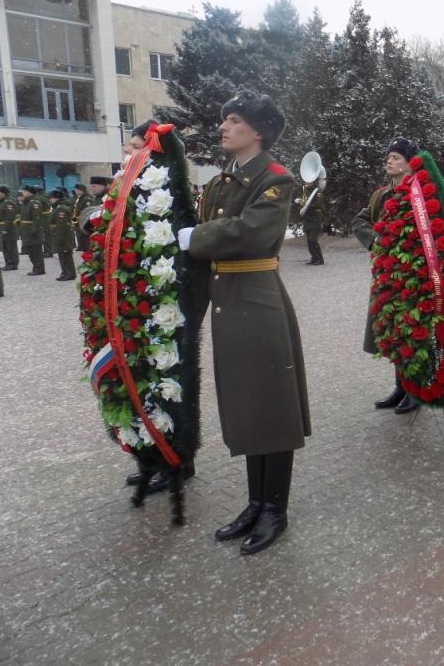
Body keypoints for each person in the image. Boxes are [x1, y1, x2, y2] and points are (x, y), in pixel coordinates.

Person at [177, 89, 310, 555]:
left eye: (233, 120)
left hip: (257, 300)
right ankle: (255, 502)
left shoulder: (276, 177)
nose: (222, 127)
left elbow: (253, 232)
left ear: (257, 131)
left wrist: (194, 237)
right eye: (223, 120)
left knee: (271, 405)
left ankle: (276, 508)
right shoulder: (219, 184)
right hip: (227, 303)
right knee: (248, 406)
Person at [351, 137, 420, 415]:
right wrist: (376, 240)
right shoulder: (381, 195)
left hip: (412, 274)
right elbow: (360, 220)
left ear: (410, 164)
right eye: (388, 156)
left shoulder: (420, 193)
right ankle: (401, 387)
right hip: (386, 273)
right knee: (393, 329)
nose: (389, 161)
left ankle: (416, 391)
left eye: (396, 157)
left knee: (412, 330)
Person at [47, 188, 76, 281]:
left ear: (56, 198)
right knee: (62, 255)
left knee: (66, 255)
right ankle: (65, 272)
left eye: (51, 198)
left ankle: (70, 273)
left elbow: (62, 226)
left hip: (63, 235)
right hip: (59, 234)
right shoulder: (57, 207)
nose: (50, 200)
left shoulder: (61, 209)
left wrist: (59, 239)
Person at [296, 181, 326, 266]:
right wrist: (300, 203)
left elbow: (318, 204)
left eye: (309, 182)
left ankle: (320, 259)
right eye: (306, 182)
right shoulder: (305, 191)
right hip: (307, 219)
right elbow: (303, 203)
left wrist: (305, 204)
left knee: (313, 239)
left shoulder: (318, 191)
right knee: (309, 241)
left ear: (313, 182)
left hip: (315, 218)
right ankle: (314, 258)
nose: (306, 183)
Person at [17, 185, 45, 276]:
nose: (22, 193)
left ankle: (39, 269)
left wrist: (33, 231)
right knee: (31, 251)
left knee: (36, 251)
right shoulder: (25, 203)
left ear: (29, 193)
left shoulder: (34, 203)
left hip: (32, 231)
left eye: (24, 191)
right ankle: (36, 267)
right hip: (26, 231)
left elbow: (37, 219)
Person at [0, 185, 19, 271]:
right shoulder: (0, 202)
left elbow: (10, 217)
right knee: (5, 247)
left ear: (2, 193)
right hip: (1, 227)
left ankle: (13, 264)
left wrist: (5, 229)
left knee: (10, 247)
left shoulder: (8, 202)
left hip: (8, 228)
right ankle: (8, 263)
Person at [70, 183, 93, 251]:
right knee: (79, 234)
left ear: (82, 190)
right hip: (77, 220)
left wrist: (78, 218)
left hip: (84, 221)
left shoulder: (87, 199)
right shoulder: (78, 198)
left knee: (85, 238)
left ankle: (86, 249)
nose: (75, 191)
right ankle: (81, 247)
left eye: (77, 190)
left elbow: (87, 211)